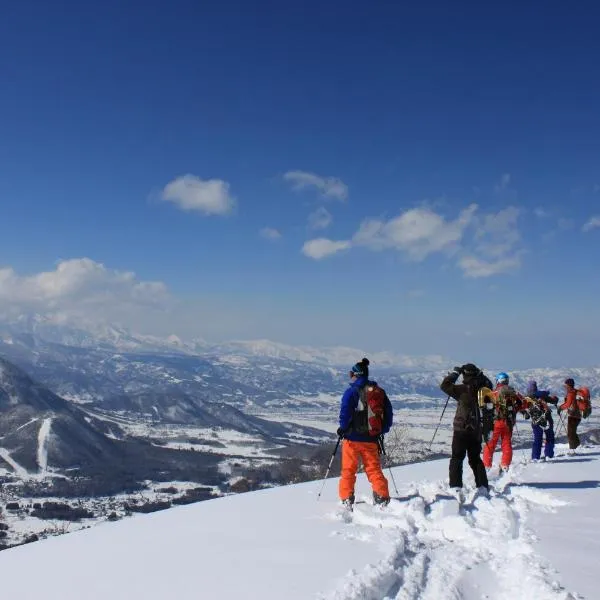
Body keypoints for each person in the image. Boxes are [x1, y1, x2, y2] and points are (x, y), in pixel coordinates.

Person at [337, 358, 393, 509]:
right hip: (371, 438)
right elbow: (388, 413)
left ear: (356, 374)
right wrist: (382, 429)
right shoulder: (378, 392)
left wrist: (342, 428)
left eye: (351, 374)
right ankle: (382, 496)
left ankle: (347, 498)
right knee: (374, 469)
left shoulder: (351, 392)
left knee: (348, 470)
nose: (351, 376)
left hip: (351, 439)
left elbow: (345, 413)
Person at [440, 363, 492, 491]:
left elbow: (444, 385)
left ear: (465, 374)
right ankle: (483, 486)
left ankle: (456, 487)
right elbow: (490, 385)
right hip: (476, 430)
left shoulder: (462, 389)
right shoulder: (484, 390)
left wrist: (455, 373)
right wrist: (480, 375)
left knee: (457, 459)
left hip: (461, 429)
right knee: (475, 459)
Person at [482, 372, 527, 473]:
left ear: (498, 381)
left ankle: (486, 465)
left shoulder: (493, 393)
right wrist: (515, 409)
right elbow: (524, 403)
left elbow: (486, 406)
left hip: (496, 422)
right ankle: (505, 464)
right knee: (506, 443)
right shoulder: (513, 392)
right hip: (509, 422)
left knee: (490, 444)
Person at [523, 380, 559, 461]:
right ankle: (549, 455)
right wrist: (555, 399)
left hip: (535, 421)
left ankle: (535, 457)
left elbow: (526, 414)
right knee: (549, 437)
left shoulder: (526, 399)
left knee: (537, 439)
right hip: (547, 419)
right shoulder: (542, 395)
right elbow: (553, 400)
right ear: (535, 387)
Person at [559, 378, 582, 452]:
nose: (565, 387)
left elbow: (568, 404)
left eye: (566, 385)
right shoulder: (575, 392)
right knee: (573, 432)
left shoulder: (571, 393)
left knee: (570, 433)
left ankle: (573, 449)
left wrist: (560, 408)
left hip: (573, 415)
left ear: (569, 385)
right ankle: (577, 446)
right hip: (578, 414)